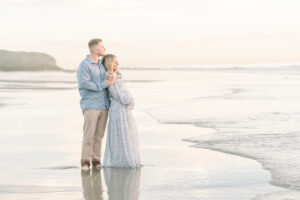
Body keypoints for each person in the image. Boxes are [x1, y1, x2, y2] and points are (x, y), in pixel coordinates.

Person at [76, 39, 114, 171]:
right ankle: (85, 161)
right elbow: (84, 83)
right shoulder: (84, 65)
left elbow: (110, 73)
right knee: (89, 135)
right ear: (94, 49)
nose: (105, 49)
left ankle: (96, 160)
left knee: (99, 136)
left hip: (104, 105)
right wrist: (103, 85)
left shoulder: (102, 65)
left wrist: (115, 75)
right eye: (102, 47)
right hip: (91, 105)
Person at [102, 54, 142, 168]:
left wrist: (117, 73)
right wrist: (129, 101)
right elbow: (116, 93)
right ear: (109, 63)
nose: (118, 64)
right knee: (121, 133)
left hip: (122, 106)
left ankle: (127, 157)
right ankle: (122, 159)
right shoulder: (109, 76)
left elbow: (119, 79)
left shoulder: (115, 75)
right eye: (115, 62)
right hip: (119, 106)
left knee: (127, 132)